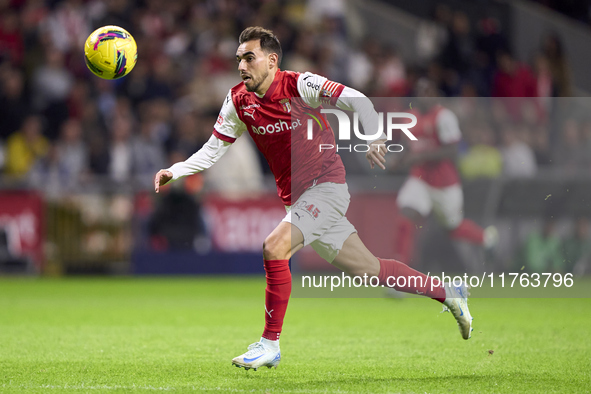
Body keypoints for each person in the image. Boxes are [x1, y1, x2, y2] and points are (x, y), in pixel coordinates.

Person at [154, 27, 473, 371]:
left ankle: (269, 344)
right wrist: (178, 169)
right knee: (371, 269)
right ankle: (448, 293)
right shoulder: (238, 101)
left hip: (327, 187)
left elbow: (358, 100)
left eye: (249, 58)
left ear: (272, 60)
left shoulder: (300, 85)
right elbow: (213, 149)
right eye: (238, 59)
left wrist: (375, 136)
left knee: (274, 247)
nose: (242, 66)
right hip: (298, 200)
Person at [392, 79, 498, 267]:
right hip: (420, 179)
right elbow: (410, 148)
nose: (422, 96)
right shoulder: (410, 117)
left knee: (453, 227)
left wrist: (420, 157)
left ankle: (486, 238)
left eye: (427, 91)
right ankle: (399, 270)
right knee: (406, 214)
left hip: (445, 184)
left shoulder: (444, 117)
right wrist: (396, 162)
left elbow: (453, 150)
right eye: (419, 92)